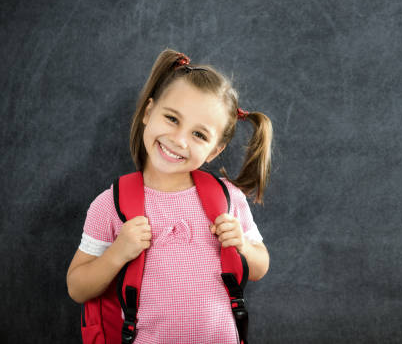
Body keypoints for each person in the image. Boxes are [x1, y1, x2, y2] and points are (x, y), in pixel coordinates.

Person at [66, 48, 272, 343]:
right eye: (172, 119)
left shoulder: (228, 198)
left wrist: (243, 245)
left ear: (214, 151)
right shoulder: (110, 204)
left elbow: (259, 267)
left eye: (199, 135)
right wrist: (117, 252)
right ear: (149, 112)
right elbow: (77, 287)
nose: (179, 140)